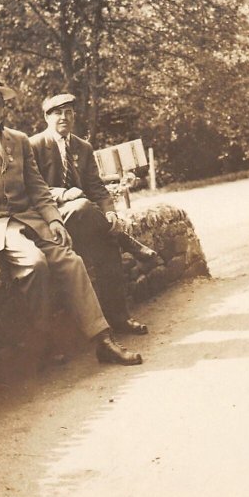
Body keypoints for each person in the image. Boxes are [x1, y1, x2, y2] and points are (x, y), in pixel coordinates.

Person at [0, 76, 142, 366]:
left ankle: (103, 341)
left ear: (3, 106)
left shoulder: (19, 139)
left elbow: (36, 186)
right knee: (35, 264)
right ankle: (44, 341)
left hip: (30, 219)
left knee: (71, 261)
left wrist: (53, 221)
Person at [29, 93, 156, 336]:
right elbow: (29, 187)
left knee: (106, 244)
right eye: (58, 113)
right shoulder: (33, 146)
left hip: (85, 221)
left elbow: (97, 188)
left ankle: (119, 318)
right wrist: (63, 194)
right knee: (81, 205)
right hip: (50, 220)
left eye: (69, 112)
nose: (64, 117)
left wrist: (111, 214)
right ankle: (126, 240)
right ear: (46, 117)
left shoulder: (82, 146)